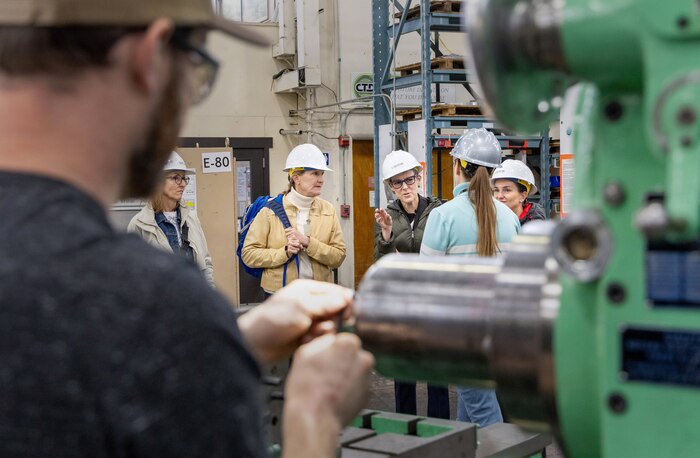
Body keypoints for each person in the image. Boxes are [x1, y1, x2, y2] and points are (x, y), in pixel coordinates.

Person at [0, 2, 373, 457]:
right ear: (149, 59)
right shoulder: (151, 306)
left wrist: (230, 343)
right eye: (196, 70)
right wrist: (315, 413)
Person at [420, 128, 520, 427]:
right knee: (469, 417)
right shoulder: (509, 217)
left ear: (458, 166)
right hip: (502, 332)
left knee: (485, 417)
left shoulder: (443, 216)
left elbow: (427, 283)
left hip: (462, 335)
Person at [374, 150, 448, 419]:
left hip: (434, 301)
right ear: (390, 186)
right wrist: (385, 235)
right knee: (403, 371)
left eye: (409, 179)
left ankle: (440, 430)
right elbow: (382, 263)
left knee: (436, 371)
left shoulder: (439, 210)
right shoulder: (386, 216)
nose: (405, 187)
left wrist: (404, 259)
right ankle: (404, 430)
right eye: (397, 182)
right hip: (401, 302)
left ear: (419, 178)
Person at [242, 143, 347, 296]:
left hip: (319, 295)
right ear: (296, 178)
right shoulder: (269, 211)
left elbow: (338, 256)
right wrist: (284, 252)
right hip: (280, 296)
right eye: (315, 174)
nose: (321, 179)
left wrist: (308, 243)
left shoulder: (328, 210)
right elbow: (249, 255)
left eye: (322, 174)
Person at [128, 151, 215, 287]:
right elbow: (133, 274)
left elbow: (206, 263)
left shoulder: (191, 219)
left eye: (184, 178)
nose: (183, 184)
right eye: (176, 178)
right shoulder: (139, 225)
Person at [492, 159, 546, 225]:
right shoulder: (490, 220)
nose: (499, 196)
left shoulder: (534, 227)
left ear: (523, 196)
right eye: (496, 190)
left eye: (507, 190)